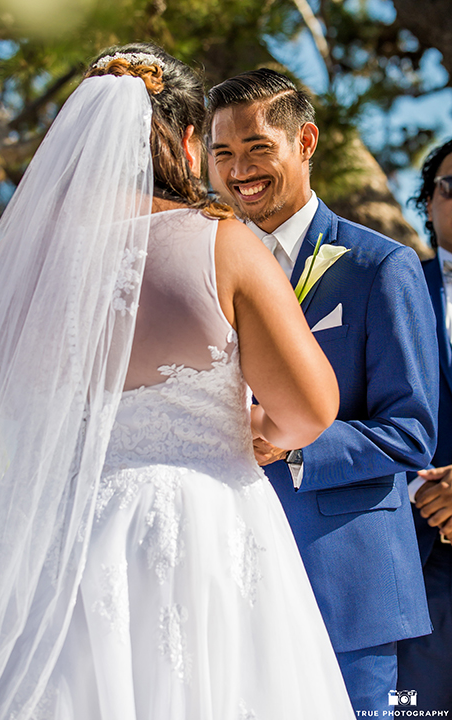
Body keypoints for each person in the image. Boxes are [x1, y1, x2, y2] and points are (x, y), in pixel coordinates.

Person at [0, 44, 356, 719]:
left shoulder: (16, 266)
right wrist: (259, 430)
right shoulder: (221, 242)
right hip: (192, 528)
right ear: (184, 139)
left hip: (50, 536)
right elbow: (309, 409)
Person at [207, 68, 439, 715]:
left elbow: (410, 430)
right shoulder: (207, 267)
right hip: (227, 573)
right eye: (222, 153)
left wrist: (291, 442)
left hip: (346, 580)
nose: (239, 170)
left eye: (257, 147)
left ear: (305, 141)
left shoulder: (380, 266)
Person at [397, 139, 452, 713]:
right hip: (418, 545)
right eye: (451, 185)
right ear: (429, 202)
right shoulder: (395, 278)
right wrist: (425, 487)